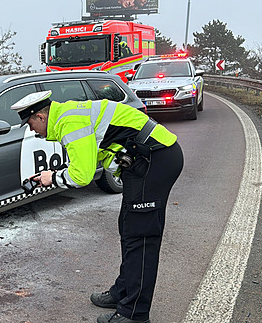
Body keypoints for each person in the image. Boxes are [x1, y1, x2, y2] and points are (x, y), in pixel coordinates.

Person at [10, 91, 183, 323]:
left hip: (154, 159)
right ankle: (122, 292)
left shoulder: (68, 122)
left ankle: (135, 314)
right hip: (143, 161)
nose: (30, 130)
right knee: (129, 227)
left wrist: (53, 178)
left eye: (30, 123)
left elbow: (82, 176)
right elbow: (85, 158)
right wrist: (54, 173)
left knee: (140, 237)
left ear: (41, 117)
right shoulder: (67, 116)